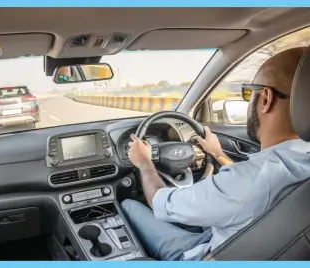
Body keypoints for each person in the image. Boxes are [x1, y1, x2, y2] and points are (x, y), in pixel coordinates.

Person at [121, 47, 310, 261]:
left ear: (266, 99)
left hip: (208, 255)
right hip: (243, 243)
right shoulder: (293, 164)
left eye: (250, 92)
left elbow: (158, 201)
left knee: (129, 205)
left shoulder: (244, 183)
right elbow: (252, 188)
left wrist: (145, 163)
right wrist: (218, 154)